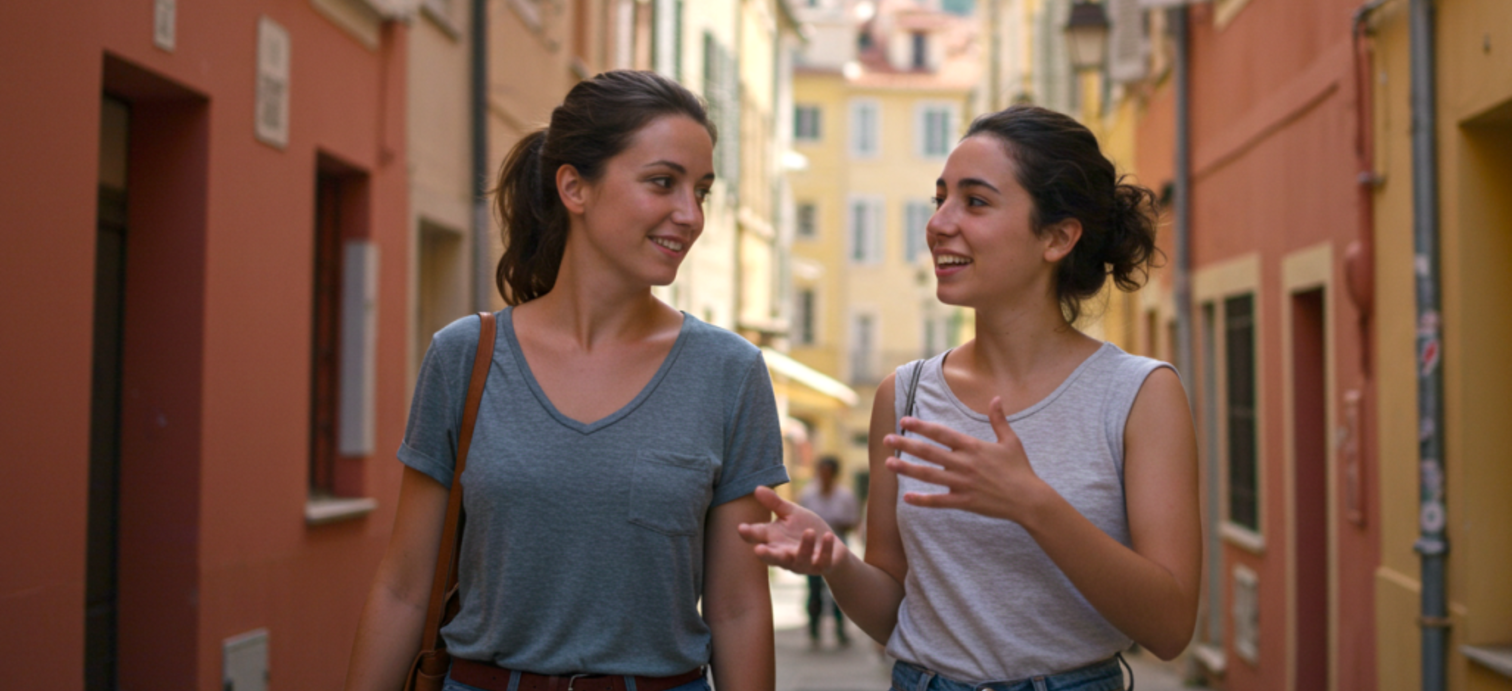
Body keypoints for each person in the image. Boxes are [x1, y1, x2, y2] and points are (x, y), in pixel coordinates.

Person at [344, 70, 789, 691]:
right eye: (663, 182)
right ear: (574, 188)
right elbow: (402, 587)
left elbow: (738, 609)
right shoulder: (465, 357)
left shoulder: (729, 372)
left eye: (702, 191)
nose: (689, 215)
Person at [738, 105, 1201, 691]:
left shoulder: (1138, 394)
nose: (938, 224)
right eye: (940, 200)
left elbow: (1170, 625)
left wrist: (1031, 503)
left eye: (975, 202)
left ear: (1057, 237)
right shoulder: (903, 395)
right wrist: (835, 561)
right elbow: (892, 614)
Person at [796, 456, 858, 647]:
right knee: (814, 590)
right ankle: (814, 628)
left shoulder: (845, 496)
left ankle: (840, 629)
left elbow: (853, 522)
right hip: (813, 547)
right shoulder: (808, 494)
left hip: (837, 547)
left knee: (839, 591)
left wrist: (836, 525)